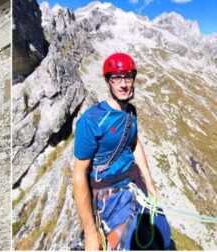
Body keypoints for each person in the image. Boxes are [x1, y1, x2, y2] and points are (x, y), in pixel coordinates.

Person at [72, 53, 172, 250]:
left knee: (164, 236)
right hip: (110, 196)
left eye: (128, 76)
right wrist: (91, 232)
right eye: (116, 77)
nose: (123, 84)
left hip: (134, 183)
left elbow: (134, 144)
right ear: (108, 81)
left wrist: (150, 184)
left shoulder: (131, 112)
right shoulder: (91, 121)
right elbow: (78, 175)